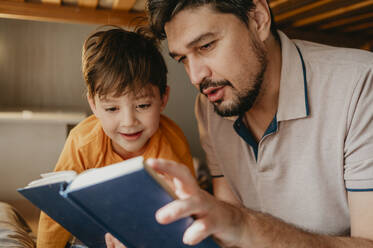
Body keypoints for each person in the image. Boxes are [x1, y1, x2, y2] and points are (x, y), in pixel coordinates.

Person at [109, 0, 373, 247]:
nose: (195, 76)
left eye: (206, 46)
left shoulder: (361, 85)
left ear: (258, 18)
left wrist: (242, 223)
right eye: (183, 59)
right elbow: (228, 235)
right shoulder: (210, 109)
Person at [36, 27, 195, 248]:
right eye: (112, 108)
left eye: (142, 105)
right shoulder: (82, 141)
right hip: (94, 236)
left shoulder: (172, 144)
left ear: (163, 98)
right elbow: (55, 212)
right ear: (94, 105)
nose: (129, 121)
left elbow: (188, 213)